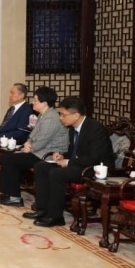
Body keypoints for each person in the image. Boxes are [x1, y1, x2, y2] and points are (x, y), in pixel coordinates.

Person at [24, 97, 115, 227]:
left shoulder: (95, 129)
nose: (60, 118)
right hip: (79, 164)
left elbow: (94, 158)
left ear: (76, 115)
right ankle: (42, 209)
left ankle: (55, 216)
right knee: (41, 167)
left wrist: (68, 163)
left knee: (57, 173)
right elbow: (73, 151)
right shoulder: (73, 128)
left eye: (63, 114)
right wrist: (62, 156)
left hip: (94, 169)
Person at [0, 86, 69, 206]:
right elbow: (33, 134)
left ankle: (14, 198)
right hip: (38, 150)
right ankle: (8, 192)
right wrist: (28, 143)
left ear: (44, 103)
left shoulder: (51, 118)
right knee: (8, 157)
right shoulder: (42, 115)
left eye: (35, 100)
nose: (33, 102)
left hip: (47, 154)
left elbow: (42, 141)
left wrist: (30, 147)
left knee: (10, 159)